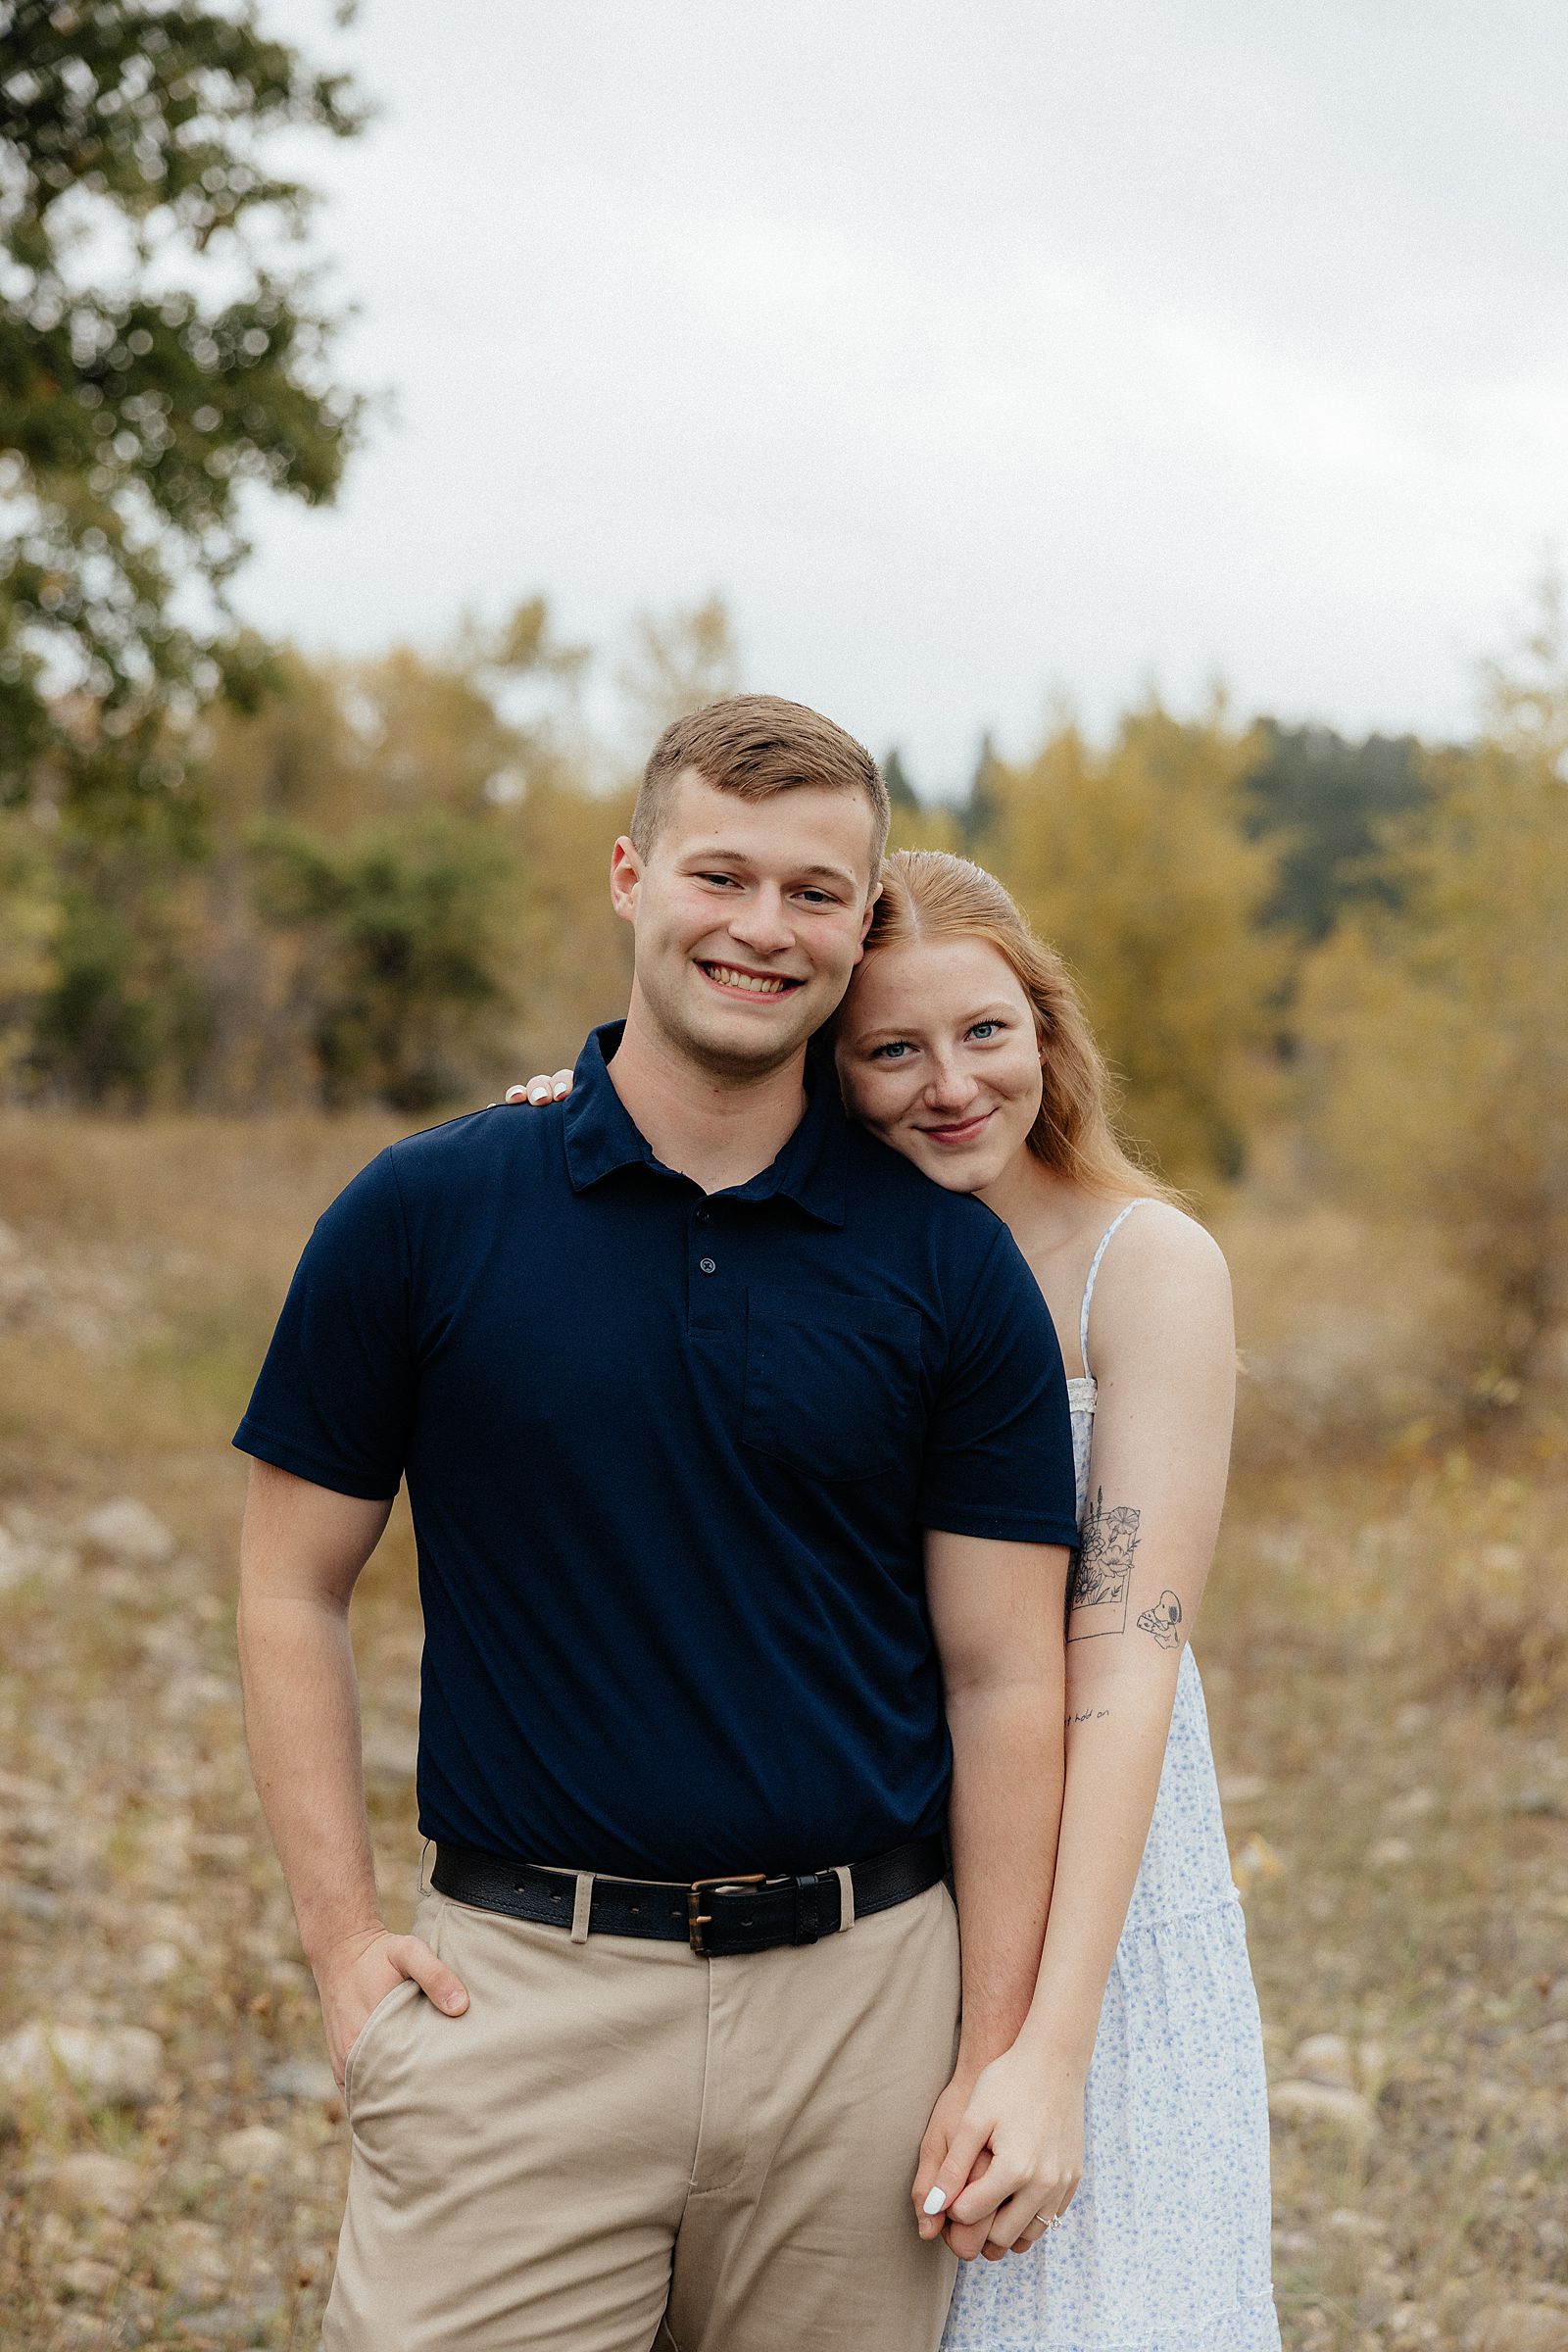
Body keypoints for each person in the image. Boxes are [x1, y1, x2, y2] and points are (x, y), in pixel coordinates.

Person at [232, 698, 1085, 2352]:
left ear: (858, 927)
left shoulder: (945, 1266)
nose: (764, 928)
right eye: (723, 875)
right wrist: (344, 1957)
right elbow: (288, 1585)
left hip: (865, 2017)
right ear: (632, 877)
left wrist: (990, 2045)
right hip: (523, 2003)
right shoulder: (424, 1212)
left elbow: (1005, 1682)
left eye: (817, 893)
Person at [509, 846, 1281, 2351]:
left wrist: (1054, 2043)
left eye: (987, 1032)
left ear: (1045, 1030)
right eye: (891, 1050)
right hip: (865, 1873)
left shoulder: (1144, 1264)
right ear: (825, 1061)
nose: (951, 1086)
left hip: (1086, 1880)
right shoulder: (819, 1244)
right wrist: (577, 1114)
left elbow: (1121, 1672)